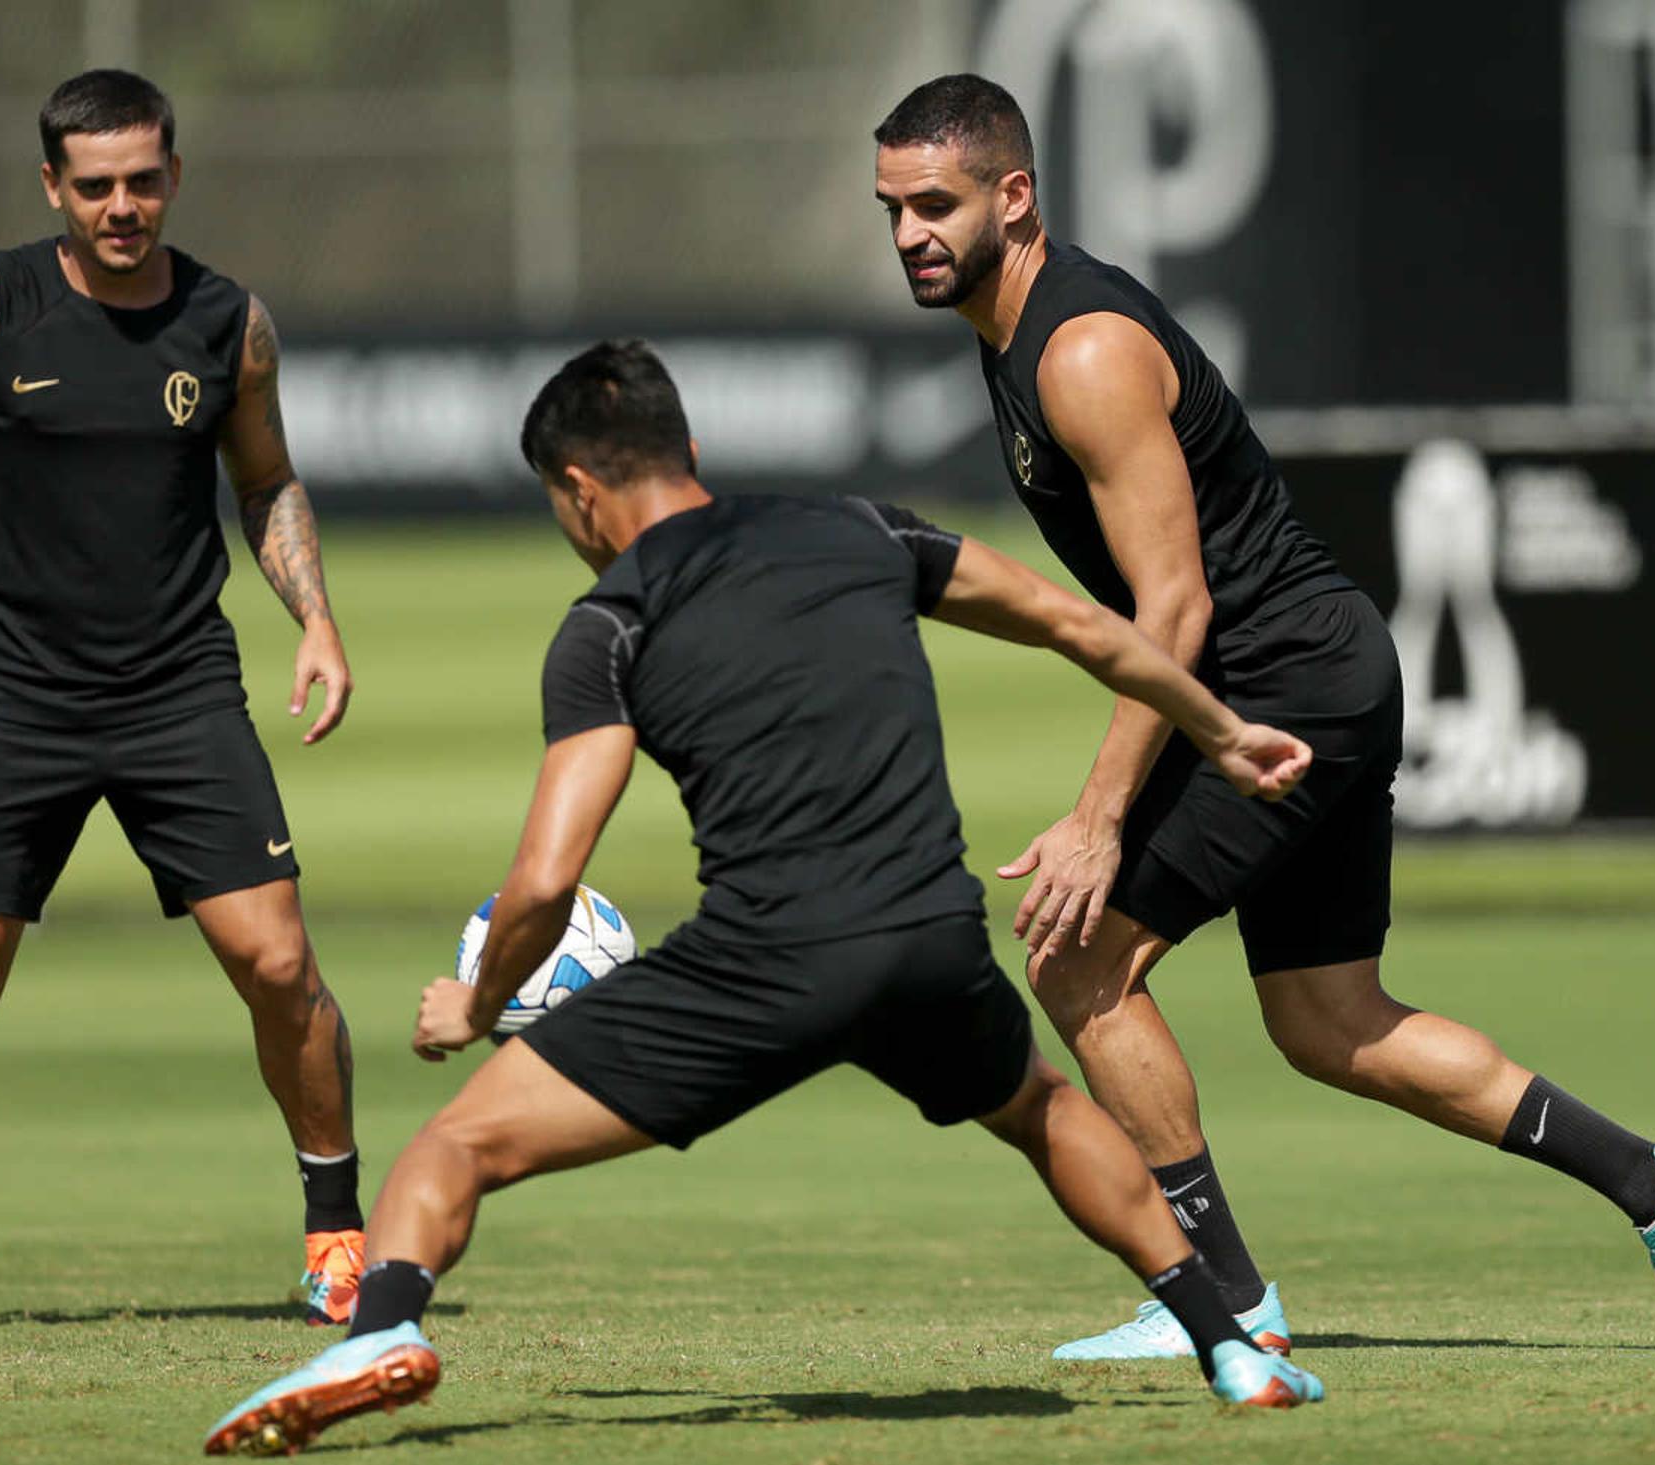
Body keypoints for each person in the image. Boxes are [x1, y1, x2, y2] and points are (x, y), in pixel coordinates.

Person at [201, 340, 1326, 1455]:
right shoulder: (868, 529)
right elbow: (1083, 626)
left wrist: (477, 998)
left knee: (456, 1146)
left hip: (762, 963)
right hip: (930, 940)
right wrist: (1221, 733)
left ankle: (383, 1330)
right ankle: (1227, 1342)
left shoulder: (611, 621)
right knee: (1043, 1113)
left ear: (579, 493)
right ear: (687, 446)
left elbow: (544, 881)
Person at [870, 73, 1655, 1361]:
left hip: (1280, 691)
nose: (908, 237)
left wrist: (1100, 818)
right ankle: (1654, 1186)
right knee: (1331, 1021)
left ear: (1015, 195)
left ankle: (1222, 1302)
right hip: (1314, 675)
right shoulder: (1015, 336)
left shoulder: (1082, 349)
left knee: (1073, 956)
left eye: (933, 206)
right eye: (889, 210)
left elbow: (1174, 607)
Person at [0, 70, 365, 1330]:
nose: (121, 205)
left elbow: (268, 482)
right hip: (12, 693)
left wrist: (319, 619)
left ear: (173, 175)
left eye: (143, 180)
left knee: (279, 959)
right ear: (52, 187)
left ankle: (340, 1236)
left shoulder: (229, 322)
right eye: (96, 185)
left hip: (179, 690)